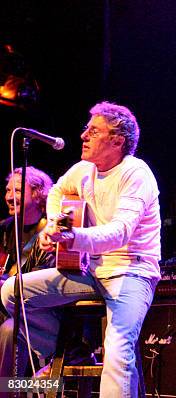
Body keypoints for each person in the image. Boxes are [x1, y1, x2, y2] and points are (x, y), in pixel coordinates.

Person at [1, 102, 161, 397]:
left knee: (117, 351)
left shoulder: (136, 174)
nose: (84, 135)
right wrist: (52, 224)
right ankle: (72, 350)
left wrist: (71, 237)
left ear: (117, 141)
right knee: (13, 290)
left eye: (94, 130)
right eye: (87, 129)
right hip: (93, 271)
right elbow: (58, 190)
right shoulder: (83, 169)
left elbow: (120, 233)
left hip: (132, 272)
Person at [0, 167, 54, 383]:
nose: (10, 197)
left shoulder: (50, 233)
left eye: (18, 191)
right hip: (4, 309)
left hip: (37, 316)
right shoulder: (3, 230)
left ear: (39, 194)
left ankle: (7, 391)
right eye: (7, 190)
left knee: (9, 331)